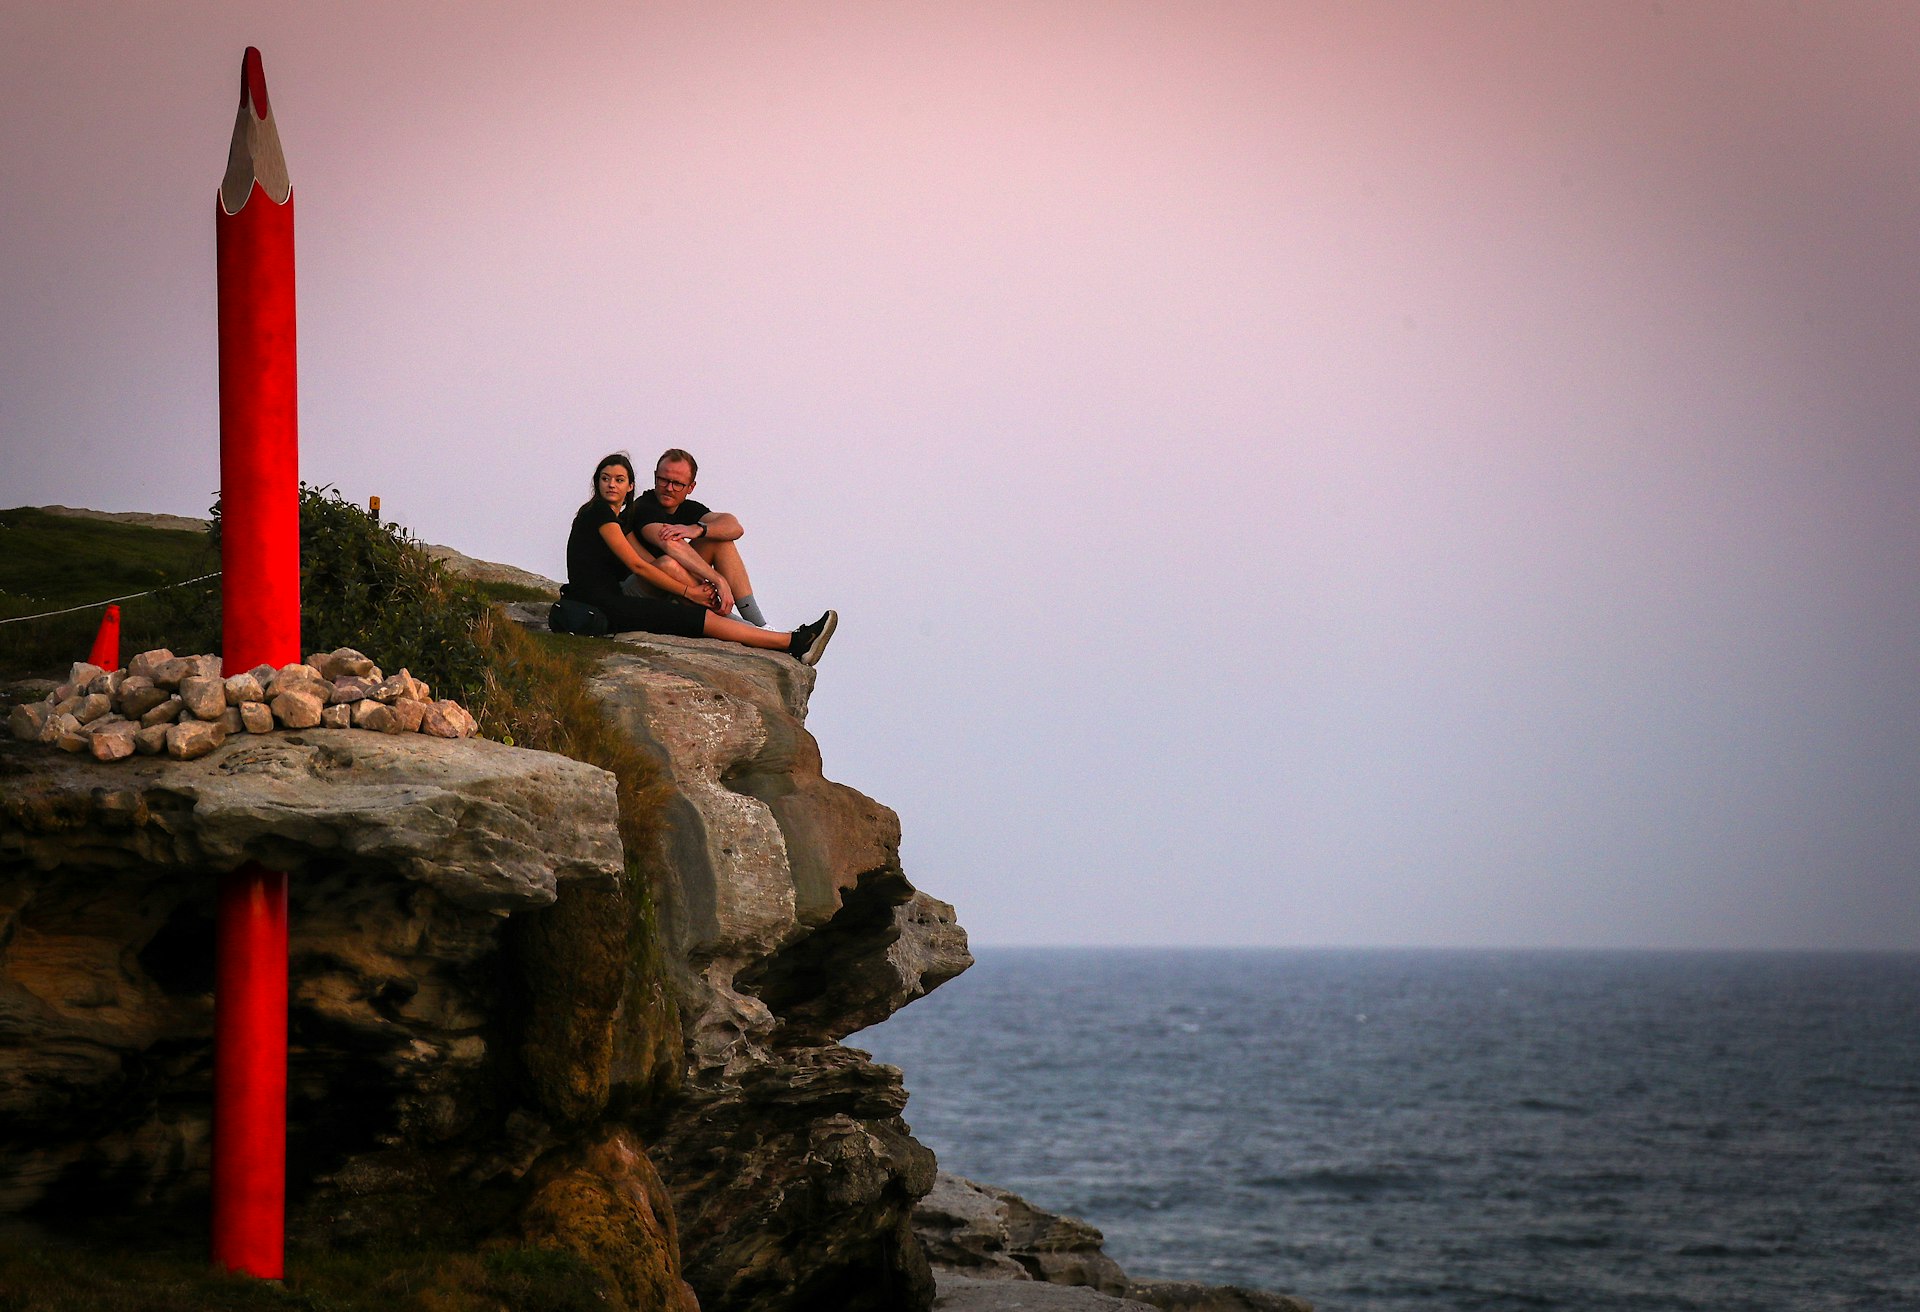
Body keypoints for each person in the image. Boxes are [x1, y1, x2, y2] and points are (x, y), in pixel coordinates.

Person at [565, 452, 836, 664]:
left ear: (630, 485)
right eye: (605, 478)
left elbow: (733, 527)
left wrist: (699, 530)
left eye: (619, 479)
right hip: (614, 601)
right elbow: (644, 562)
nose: (611, 484)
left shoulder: (617, 518)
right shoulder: (615, 512)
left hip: (643, 593)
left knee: (718, 545)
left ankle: (765, 628)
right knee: (690, 609)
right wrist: (699, 588)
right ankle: (787, 641)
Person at [624, 447, 766, 626]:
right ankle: (751, 631)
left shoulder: (689, 508)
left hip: (676, 588)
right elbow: (669, 543)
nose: (669, 488)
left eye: (677, 484)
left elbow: (734, 527)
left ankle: (760, 625)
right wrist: (718, 580)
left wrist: (699, 529)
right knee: (669, 563)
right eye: (663, 480)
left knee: (720, 542)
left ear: (691, 487)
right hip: (637, 590)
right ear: (655, 476)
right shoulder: (643, 507)